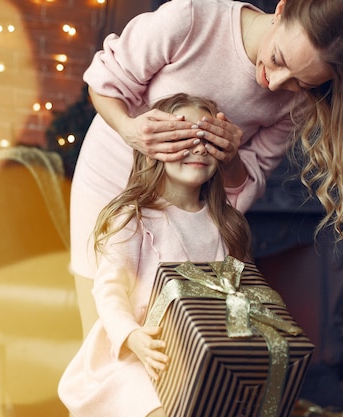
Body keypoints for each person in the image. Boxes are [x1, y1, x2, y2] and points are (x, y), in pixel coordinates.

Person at [71, 0, 343, 336]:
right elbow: (104, 83)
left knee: (173, 339)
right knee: (105, 330)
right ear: (282, 10)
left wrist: (232, 160)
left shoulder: (299, 100)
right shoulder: (190, 21)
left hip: (189, 213)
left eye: (301, 82)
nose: (274, 83)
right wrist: (130, 130)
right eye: (278, 59)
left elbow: (246, 187)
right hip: (110, 183)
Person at [58, 93, 253, 417]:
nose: (198, 147)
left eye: (206, 138)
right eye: (183, 137)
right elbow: (110, 289)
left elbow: (233, 296)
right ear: (151, 152)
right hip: (133, 352)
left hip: (191, 353)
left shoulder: (224, 224)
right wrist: (132, 336)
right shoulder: (132, 218)